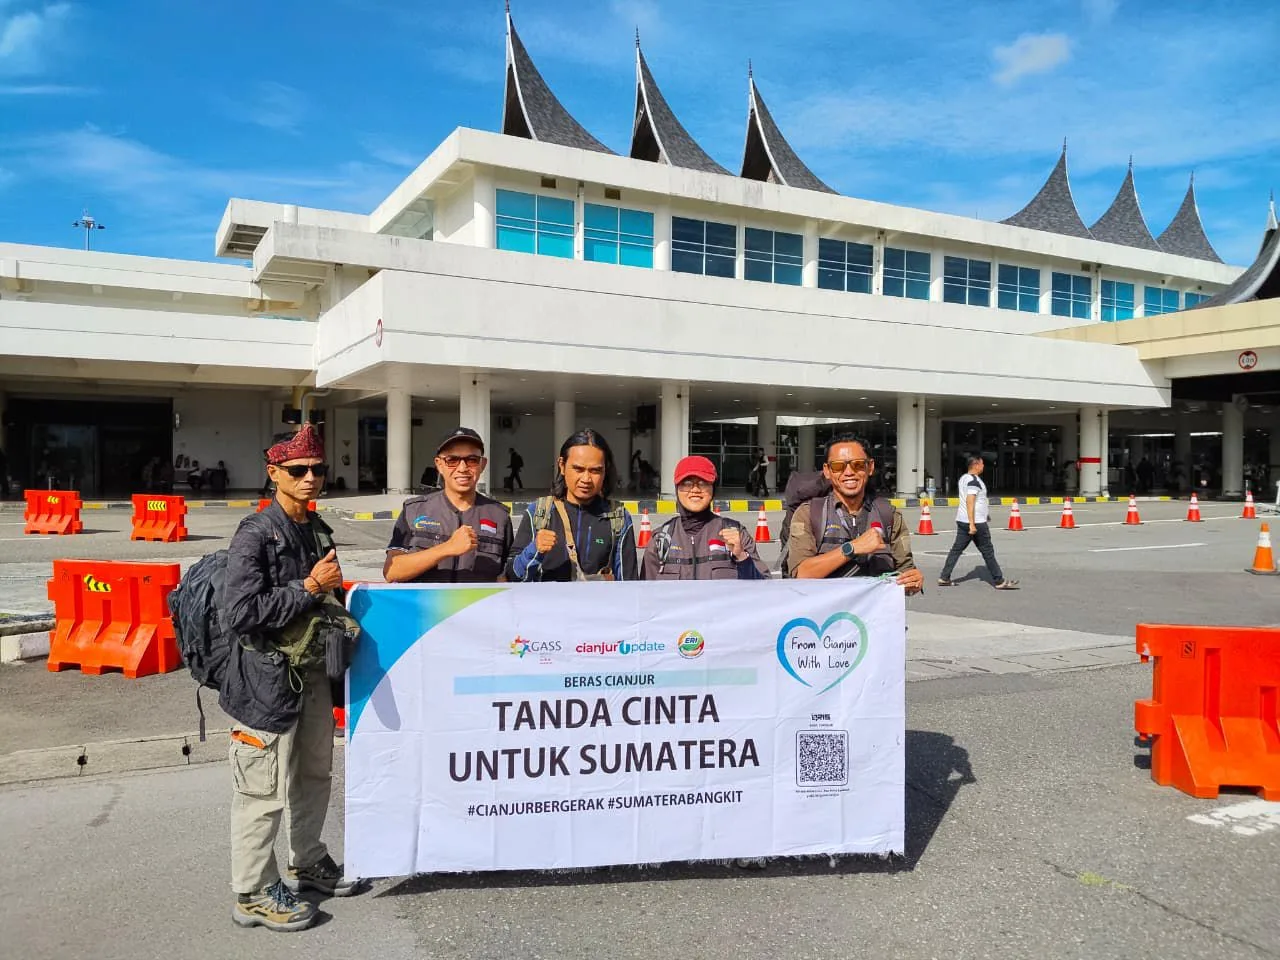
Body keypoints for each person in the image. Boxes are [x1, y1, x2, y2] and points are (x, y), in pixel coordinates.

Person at [222, 424, 364, 932]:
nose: (310, 478)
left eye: (317, 470)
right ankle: (253, 891)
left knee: (314, 775)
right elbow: (238, 612)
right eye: (297, 470)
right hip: (264, 683)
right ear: (274, 473)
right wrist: (308, 585)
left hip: (311, 676)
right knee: (261, 791)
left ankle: (307, 860)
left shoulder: (314, 527)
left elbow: (329, 597)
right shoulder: (256, 533)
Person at [787, 434, 924, 594]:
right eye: (838, 466)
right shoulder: (809, 514)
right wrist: (852, 548)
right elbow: (801, 574)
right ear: (827, 471)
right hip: (826, 618)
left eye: (858, 464)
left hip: (873, 617)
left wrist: (913, 581)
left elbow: (905, 572)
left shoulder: (889, 515)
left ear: (870, 467)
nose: (849, 472)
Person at [384, 427, 513, 584]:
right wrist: (447, 548)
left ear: (482, 464)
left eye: (472, 460)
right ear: (439, 464)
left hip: (476, 607)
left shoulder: (499, 516)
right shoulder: (414, 511)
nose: (462, 468)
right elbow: (392, 572)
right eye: (452, 460)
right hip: (425, 607)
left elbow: (504, 578)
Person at [507, 429, 637, 582]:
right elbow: (513, 576)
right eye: (578, 469)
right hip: (546, 605)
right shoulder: (539, 512)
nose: (586, 479)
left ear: (605, 471)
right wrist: (534, 549)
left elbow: (628, 583)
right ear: (562, 466)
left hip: (600, 605)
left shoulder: (618, 517)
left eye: (595, 471)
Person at [641, 456, 769, 581]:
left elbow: (766, 589)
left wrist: (742, 557)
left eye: (703, 483)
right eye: (687, 483)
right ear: (677, 489)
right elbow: (645, 595)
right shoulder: (660, 540)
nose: (695, 489)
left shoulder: (736, 533)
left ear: (713, 489)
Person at [937, 454, 1018, 590]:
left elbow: (977, 501)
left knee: (956, 550)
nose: (983, 466)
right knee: (987, 551)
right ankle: (999, 581)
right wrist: (972, 523)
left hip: (964, 520)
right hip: (975, 523)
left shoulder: (964, 478)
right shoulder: (973, 481)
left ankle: (944, 577)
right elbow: (970, 501)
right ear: (975, 465)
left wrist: (985, 514)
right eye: (981, 464)